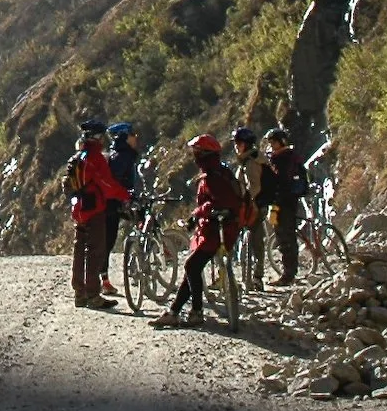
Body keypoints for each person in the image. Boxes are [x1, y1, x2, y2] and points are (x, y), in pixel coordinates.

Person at [152, 134, 244, 329]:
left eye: (196, 153)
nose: (194, 157)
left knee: (191, 266)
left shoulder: (212, 176)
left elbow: (214, 202)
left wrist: (196, 214)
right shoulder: (222, 171)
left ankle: (196, 311)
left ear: (204, 154)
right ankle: (174, 311)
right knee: (192, 269)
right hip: (226, 228)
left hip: (215, 230)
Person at [65, 118, 129, 308]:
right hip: (94, 208)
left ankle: (80, 293)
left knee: (79, 250)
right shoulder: (95, 158)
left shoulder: (77, 157)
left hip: (78, 207)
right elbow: (107, 184)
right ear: (98, 137)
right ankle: (93, 295)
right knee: (95, 251)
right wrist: (125, 195)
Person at [261, 126, 308, 285]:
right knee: (283, 237)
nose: (271, 146)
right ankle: (288, 272)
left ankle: (288, 275)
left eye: (273, 142)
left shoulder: (284, 158)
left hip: (285, 203)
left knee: (286, 238)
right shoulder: (285, 157)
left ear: (280, 142)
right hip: (282, 202)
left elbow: (282, 182)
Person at [100, 122, 141, 297]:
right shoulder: (123, 156)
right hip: (112, 204)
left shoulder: (121, 154)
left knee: (107, 241)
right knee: (107, 242)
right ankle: (103, 280)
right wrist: (127, 196)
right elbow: (115, 182)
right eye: (133, 134)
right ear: (125, 136)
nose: (136, 137)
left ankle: (103, 279)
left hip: (114, 202)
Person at [230, 126, 269, 290]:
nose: (235, 146)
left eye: (238, 143)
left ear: (246, 144)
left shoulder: (251, 161)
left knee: (256, 241)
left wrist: (245, 200)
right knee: (256, 240)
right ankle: (254, 276)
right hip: (258, 205)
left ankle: (255, 278)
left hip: (254, 206)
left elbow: (255, 186)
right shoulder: (251, 158)